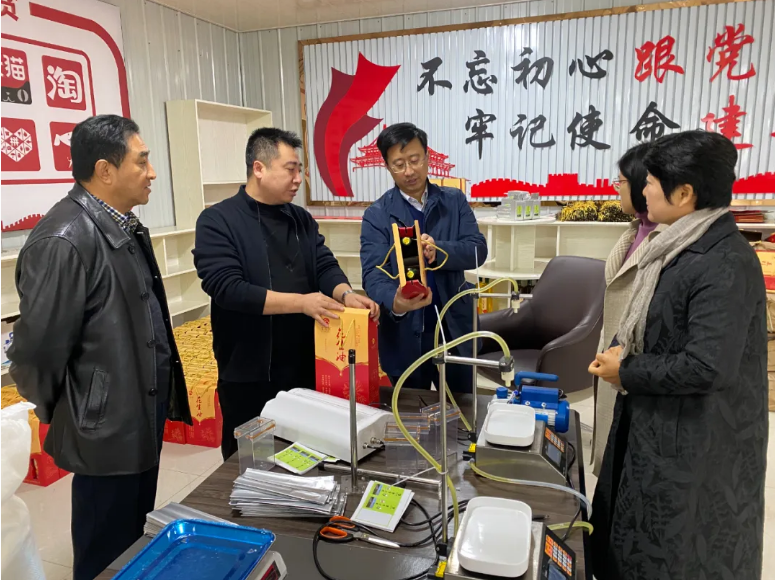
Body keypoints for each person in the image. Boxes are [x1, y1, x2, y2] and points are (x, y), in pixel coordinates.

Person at [8, 115, 192, 580]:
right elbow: (36, 353)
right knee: (104, 550)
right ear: (105, 170)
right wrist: (71, 409)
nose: (152, 172)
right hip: (105, 429)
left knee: (130, 538)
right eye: (142, 161)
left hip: (134, 417)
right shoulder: (64, 239)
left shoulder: (120, 224)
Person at [588, 131, 768, 580]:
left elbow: (708, 365)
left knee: (677, 552)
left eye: (650, 182)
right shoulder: (678, 244)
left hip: (695, 444)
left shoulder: (723, 261)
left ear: (684, 193)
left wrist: (627, 369)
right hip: (657, 425)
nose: (643, 190)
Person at [193, 128, 378, 460]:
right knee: (249, 457)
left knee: (305, 450)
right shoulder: (218, 220)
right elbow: (228, 289)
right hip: (248, 366)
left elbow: (323, 264)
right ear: (259, 168)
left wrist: (345, 294)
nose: (298, 179)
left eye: (300, 170)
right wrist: (302, 302)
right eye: (290, 169)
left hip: (305, 362)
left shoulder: (300, 218)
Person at [360, 123, 487, 392]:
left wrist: (439, 250)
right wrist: (395, 301)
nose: (409, 171)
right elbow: (373, 274)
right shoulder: (377, 214)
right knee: (410, 411)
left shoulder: (454, 201)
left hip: (454, 331)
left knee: (462, 408)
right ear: (387, 166)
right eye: (399, 164)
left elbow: (478, 250)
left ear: (427, 157)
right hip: (404, 336)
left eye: (415, 160)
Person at [591, 142, 662, 476]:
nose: (616, 188)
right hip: (613, 354)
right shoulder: (635, 229)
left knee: (626, 458)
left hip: (636, 364)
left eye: (620, 181)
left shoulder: (666, 238)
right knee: (608, 449)